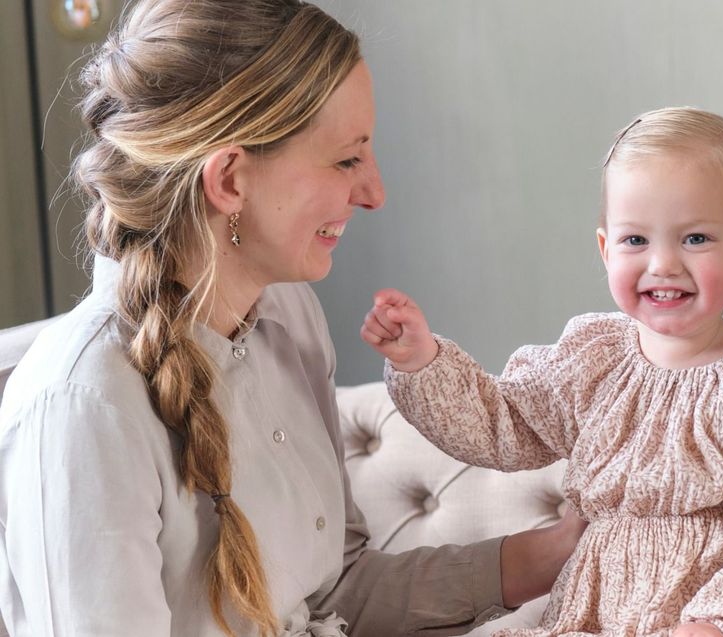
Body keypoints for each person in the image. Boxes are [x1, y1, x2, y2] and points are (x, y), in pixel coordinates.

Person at [0, 1, 587, 636]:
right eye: (346, 159)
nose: (374, 192)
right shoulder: (85, 406)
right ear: (229, 179)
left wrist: (550, 555)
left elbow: (339, 592)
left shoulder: (288, 318)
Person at [361, 107, 723, 637]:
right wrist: (421, 360)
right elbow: (503, 426)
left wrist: (718, 624)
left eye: (696, 239)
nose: (663, 264)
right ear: (605, 249)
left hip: (712, 624)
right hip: (590, 618)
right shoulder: (594, 360)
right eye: (636, 240)